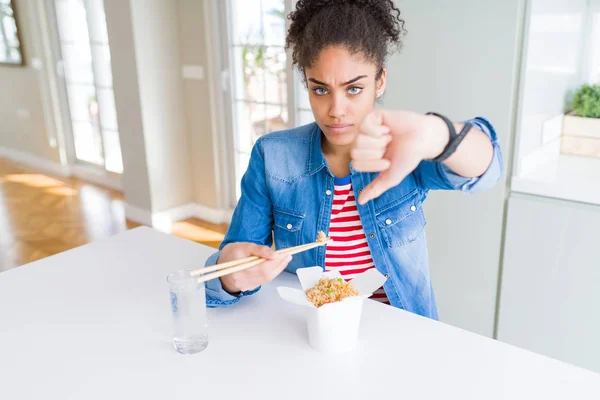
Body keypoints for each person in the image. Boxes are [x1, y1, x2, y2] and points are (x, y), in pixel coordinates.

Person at [203, 0, 503, 319]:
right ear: (306, 82)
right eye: (320, 90)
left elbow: (487, 168)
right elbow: (230, 263)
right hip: (311, 325)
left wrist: (436, 134)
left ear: (380, 81)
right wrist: (229, 276)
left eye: (354, 89)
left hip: (399, 324)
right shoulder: (272, 156)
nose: (336, 109)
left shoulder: (405, 149)